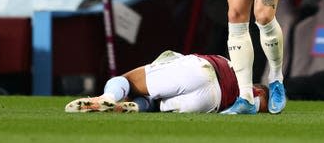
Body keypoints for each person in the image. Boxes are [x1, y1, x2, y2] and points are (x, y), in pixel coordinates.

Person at [64, 50, 269, 114]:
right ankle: (135, 106)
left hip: (201, 69)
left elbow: (168, 57)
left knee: (125, 80)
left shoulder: (240, 75)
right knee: (153, 105)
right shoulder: (246, 101)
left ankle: (106, 97)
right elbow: (262, 104)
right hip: (210, 103)